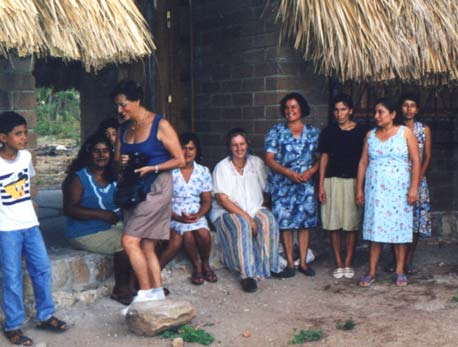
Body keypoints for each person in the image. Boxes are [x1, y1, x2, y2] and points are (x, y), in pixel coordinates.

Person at [112, 80, 185, 307]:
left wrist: (153, 167)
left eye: (124, 105)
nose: (120, 110)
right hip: (134, 189)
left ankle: (144, 294)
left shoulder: (159, 124)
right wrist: (123, 160)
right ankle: (157, 293)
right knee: (147, 245)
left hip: (157, 187)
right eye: (117, 106)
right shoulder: (125, 128)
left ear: (137, 101)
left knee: (129, 240)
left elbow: (180, 159)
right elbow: (116, 165)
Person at [0, 112, 67, 346]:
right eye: (18, 134)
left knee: (41, 269)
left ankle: (45, 315)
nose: (24, 138)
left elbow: (29, 187)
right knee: (11, 277)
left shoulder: (26, 157)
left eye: (25, 132)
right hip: (6, 229)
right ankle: (13, 325)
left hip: (30, 225)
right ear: (2, 137)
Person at [62, 133, 136, 305]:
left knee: (142, 237)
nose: (102, 155)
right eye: (97, 151)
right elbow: (69, 209)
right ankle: (120, 290)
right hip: (84, 231)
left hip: (110, 225)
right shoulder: (78, 178)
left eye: (105, 151)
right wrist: (101, 214)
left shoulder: (113, 176)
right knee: (124, 243)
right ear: (89, 153)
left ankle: (138, 285)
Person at [356, 97, 420, 287]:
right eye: (375, 112)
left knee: (399, 230)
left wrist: (414, 187)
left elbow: (416, 161)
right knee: (375, 230)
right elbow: (363, 162)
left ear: (392, 115)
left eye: (380, 112)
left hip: (399, 191)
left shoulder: (405, 133)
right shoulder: (370, 135)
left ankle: (400, 271)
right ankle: (372, 271)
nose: (376, 116)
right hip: (376, 192)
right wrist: (359, 188)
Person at [211, 128, 281, 293]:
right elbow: (222, 199)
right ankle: (247, 275)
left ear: (247, 144)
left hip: (253, 208)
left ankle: (271, 266)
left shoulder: (256, 163)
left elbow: (267, 188)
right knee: (242, 224)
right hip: (226, 213)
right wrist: (247, 218)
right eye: (234, 145)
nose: (239, 148)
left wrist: (261, 209)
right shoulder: (222, 167)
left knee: (268, 219)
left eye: (242, 144)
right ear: (229, 147)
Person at [264, 92, 320, 278]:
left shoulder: (313, 132)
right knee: (286, 224)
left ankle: (303, 263)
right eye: (287, 108)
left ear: (301, 109)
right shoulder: (276, 131)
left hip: (305, 183)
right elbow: (269, 159)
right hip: (283, 184)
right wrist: (289, 173)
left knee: (305, 223)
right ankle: (289, 263)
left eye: (294, 107)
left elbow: (323, 158)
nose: (290, 111)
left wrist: (310, 172)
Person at [158, 133, 217, 285]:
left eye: (191, 148)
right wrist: (177, 217)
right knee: (188, 234)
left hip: (196, 214)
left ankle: (205, 264)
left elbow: (206, 201)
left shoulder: (203, 171)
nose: (187, 152)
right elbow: (162, 202)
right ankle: (197, 267)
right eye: (183, 148)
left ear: (196, 150)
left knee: (204, 234)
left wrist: (198, 215)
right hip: (174, 215)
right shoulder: (170, 171)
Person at [318, 94, 366, 279]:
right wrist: (321, 185)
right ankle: (338, 263)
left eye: (343, 109)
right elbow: (324, 158)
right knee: (334, 224)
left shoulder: (361, 132)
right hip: (332, 181)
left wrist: (361, 186)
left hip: (353, 181)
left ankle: (348, 262)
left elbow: (364, 159)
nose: (340, 114)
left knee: (351, 224)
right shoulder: (328, 132)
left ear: (351, 110)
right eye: (337, 110)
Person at [385, 94, 432, 274]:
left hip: (418, 180)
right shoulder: (395, 129)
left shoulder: (423, 129)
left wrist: (419, 176)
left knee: (415, 221)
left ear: (417, 109)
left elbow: (427, 156)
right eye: (405, 105)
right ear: (400, 109)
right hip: (397, 180)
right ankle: (395, 259)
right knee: (395, 218)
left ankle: (408, 259)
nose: (409, 109)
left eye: (413, 106)